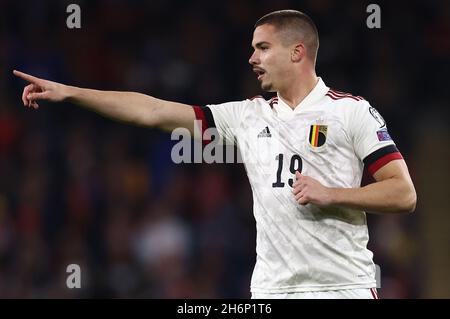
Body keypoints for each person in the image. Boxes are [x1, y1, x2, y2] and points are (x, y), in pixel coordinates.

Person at [13, 10, 416, 299]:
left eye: (262, 47)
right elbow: (153, 111)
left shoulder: (350, 111)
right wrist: (71, 93)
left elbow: (403, 194)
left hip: (341, 286)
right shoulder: (246, 115)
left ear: (297, 52)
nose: (252, 58)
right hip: (271, 290)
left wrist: (333, 193)